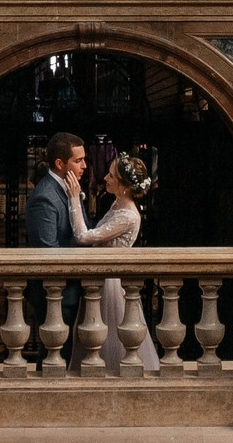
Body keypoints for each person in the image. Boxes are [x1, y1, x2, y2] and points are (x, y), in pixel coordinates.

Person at [61, 150, 162, 372]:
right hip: (100, 279)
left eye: (111, 176)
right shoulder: (117, 205)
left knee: (109, 339)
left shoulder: (128, 216)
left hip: (111, 284)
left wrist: (74, 199)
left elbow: (84, 236)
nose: (105, 178)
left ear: (124, 185)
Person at [23, 132, 86, 362]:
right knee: (55, 358)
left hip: (72, 292)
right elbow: (48, 252)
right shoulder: (45, 198)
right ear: (60, 164)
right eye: (78, 161)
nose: (85, 166)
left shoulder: (71, 190)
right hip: (56, 294)